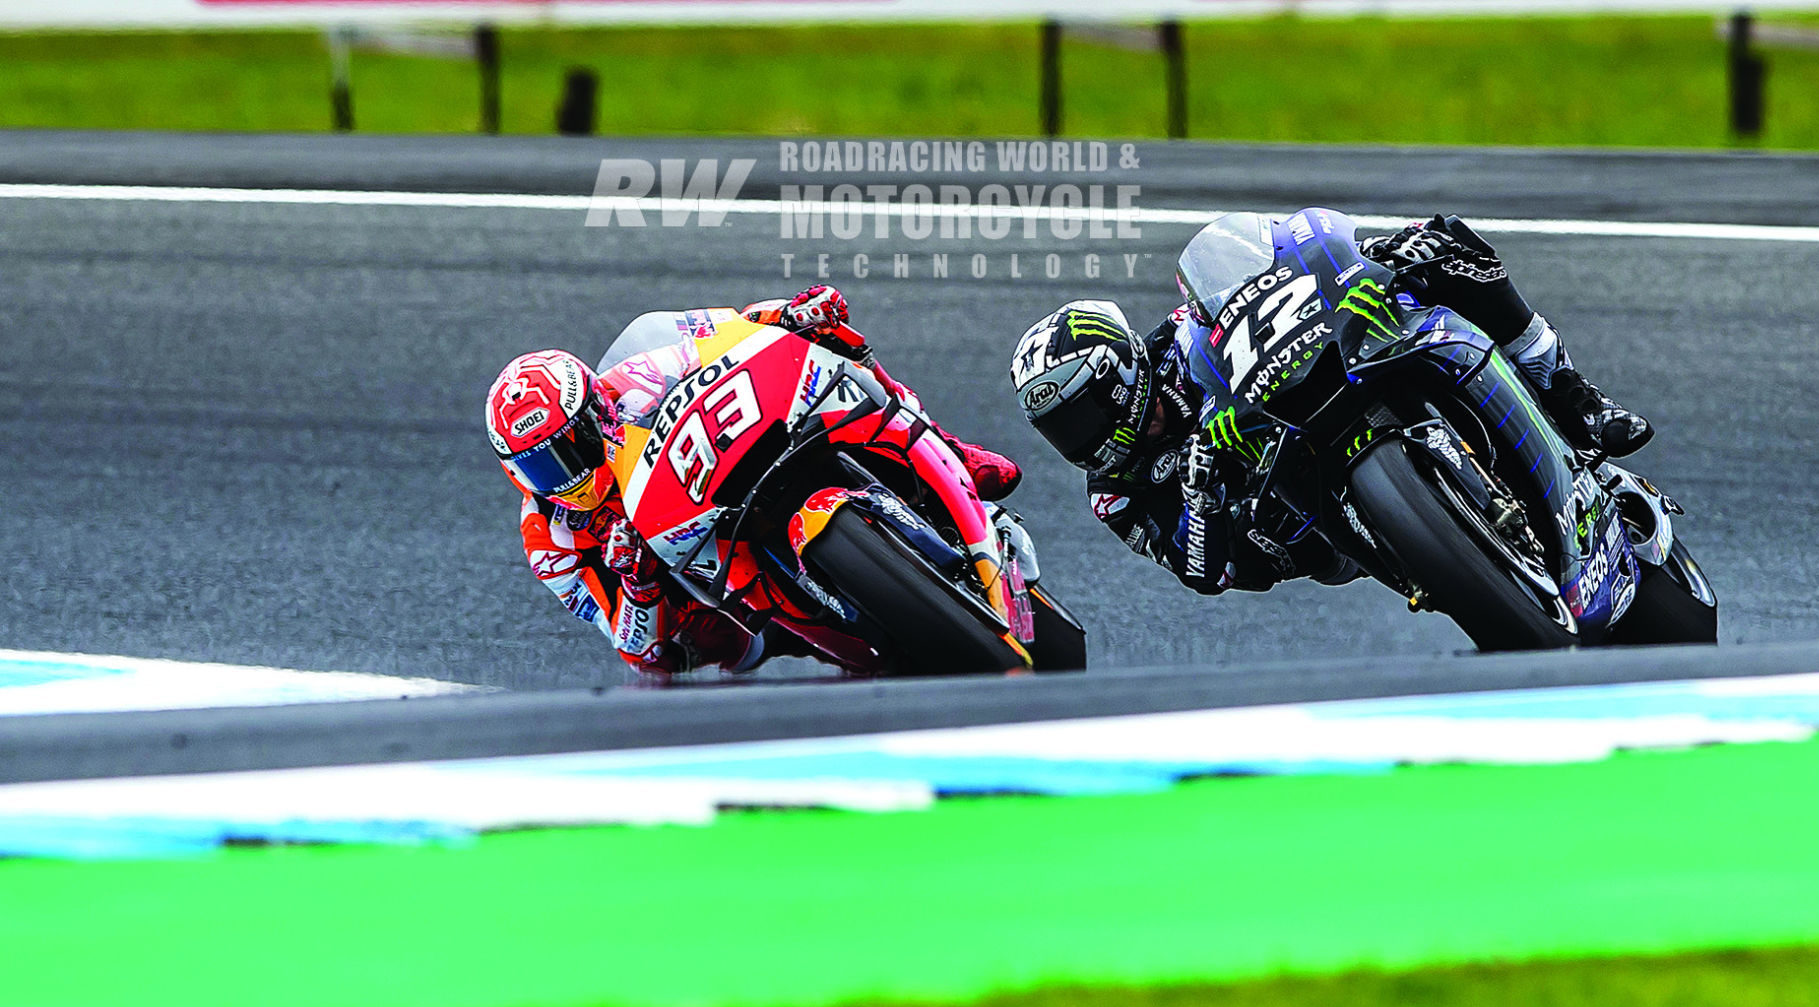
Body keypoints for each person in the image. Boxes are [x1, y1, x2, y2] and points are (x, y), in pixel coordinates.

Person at [1008, 213, 1653, 596]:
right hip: (1293, 527)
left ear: (1118, 371)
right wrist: (1204, 489)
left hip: (1317, 396)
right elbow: (1202, 572)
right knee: (1282, 545)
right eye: (1060, 431)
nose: (1083, 439)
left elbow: (1253, 294)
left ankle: (1569, 392)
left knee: (1437, 244)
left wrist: (1352, 266)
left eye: (1083, 414)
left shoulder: (1178, 341)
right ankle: (1444, 558)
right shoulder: (1115, 490)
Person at [487, 286, 1022, 676]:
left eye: (572, 445)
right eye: (543, 466)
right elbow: (637, 650)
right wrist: (638, 584)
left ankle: (949, 451)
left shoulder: (635, 375)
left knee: (834, 345)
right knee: (701, 645)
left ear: (595, 410)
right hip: (703, 587)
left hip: (729, 459)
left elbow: (732, 330)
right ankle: (847, 632)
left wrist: (790, 313)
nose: (570, 474)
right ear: (517, 473)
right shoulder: (550, 540)